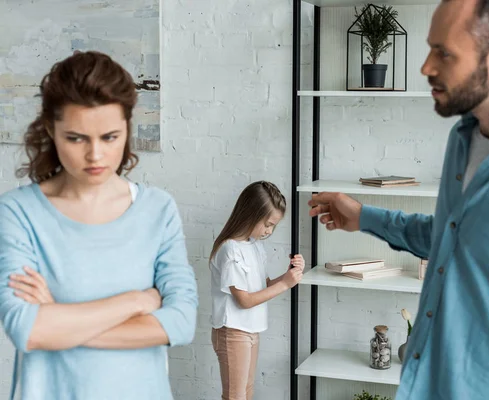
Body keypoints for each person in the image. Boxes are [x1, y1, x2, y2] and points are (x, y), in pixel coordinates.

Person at [309, 0, 489, 399]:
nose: (426, 67)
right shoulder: (463, 140)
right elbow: (456, 238)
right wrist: (363, 217)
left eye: (443, 53)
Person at [0, 51, 198, 400]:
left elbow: (181, 323)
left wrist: (58, 321)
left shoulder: (157, 210)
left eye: (109, 137)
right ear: (51, 129)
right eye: (76, 138)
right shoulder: (17, 213)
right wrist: (137, 300)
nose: (95, 155)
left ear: (127, 129)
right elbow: (28, 331)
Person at [209, 181, 304, 400]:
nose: (269, 231)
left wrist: (288, 275)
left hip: (250, 329)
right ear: (251, 214)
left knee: (246, 392)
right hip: (233, 331)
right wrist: (285, 284)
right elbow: (244, 300)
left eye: (273, 226)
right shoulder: (230, 250)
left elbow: (263, 287)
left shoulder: (254, 245)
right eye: (268, 224)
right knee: (235, 396)